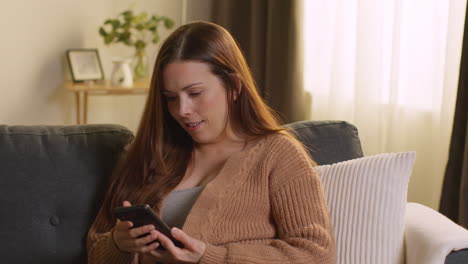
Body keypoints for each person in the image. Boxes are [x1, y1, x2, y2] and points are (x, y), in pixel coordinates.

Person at [87, 21, 336, 264]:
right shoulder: (152, 153)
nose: (182, 110)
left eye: (195, 93)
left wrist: (209, 257)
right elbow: (95, 251)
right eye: (171, 98)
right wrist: (119, 244)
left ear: (234, 87)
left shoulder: (278, 154)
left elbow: (316, 255)